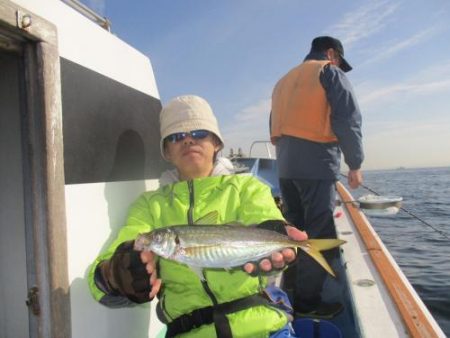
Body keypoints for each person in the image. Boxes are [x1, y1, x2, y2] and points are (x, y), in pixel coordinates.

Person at [88, 95, 308, 338]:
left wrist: (277, 233)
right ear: (167, 152)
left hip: (262, 327)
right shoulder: (150, 206)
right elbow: (114, 259)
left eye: (199, 133)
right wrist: (112, 275)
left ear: (216, 143)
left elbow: (265, 218)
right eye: (176, 137)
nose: (188, 140)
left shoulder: (247, 188)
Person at [270, 36, 364, 319]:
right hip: (316, 166)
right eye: (339, 61)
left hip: (285, 168)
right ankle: (307, 303)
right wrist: (355, 163)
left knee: (295, 231)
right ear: (332, 54)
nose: (339, 66)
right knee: (316, 235)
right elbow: (347, 119)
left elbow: (272, 124)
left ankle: (294, 287)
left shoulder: (282, 81)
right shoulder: (329, 72)